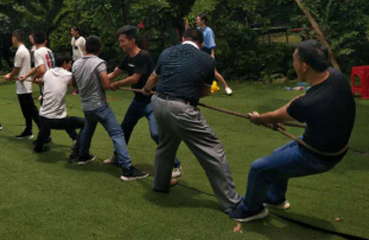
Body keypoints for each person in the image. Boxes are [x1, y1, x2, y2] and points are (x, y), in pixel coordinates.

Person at [230, 40, 356, 222]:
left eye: (294, 60)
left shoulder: (308, 103)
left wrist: (259, 119)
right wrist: (276, 118)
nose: (293, 64)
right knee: (276, 156)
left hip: (318, 156)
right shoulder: (335, 76)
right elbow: (296, 104)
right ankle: (275, 199)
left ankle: (250, 210)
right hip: (333, 147)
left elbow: (274, 115)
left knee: (259, 168)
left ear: (304, 66)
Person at [144, 27, 240, 214]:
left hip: (158, 103)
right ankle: (233, 204)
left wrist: (147, 89)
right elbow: (204, 91)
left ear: (182, 39)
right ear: (202, 43)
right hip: (181, 108)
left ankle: (160, 184)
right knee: (213, 150)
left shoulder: (167, 52)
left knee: (166, 145)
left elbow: (152, 79)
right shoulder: (207, 60)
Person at [104, 26, 183, 178]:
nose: (120, 44)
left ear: (132, 41)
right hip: (138, 101)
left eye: (123, 41)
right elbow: (114, 73)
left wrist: (116, 84)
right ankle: (118, 157)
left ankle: (176, 164)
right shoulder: (127, 57)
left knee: (155, 133)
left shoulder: (144, 56)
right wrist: (101, 79)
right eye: (119, 41)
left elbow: (135, 78)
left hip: (151, 101)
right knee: (123, 130)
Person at [73, 35, 149, 182]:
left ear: (84, 48)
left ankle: (83, 156)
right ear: (100, 49)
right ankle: (127, 169)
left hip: (86, 106)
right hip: (100, 107)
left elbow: (74, 85)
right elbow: (106, 84)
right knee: (117, 134)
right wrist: (113, 84)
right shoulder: (99, 63)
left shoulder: (76, 64)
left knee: (88, 130)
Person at [34, 52, 84, 160]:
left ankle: (38, 147)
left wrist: (38, 80)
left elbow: (42, 81)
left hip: (42, 116)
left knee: (46, 128)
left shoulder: (48, 73)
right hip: (56, 120)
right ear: (64, 63)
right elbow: (78, 84)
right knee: (84, 123)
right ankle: (76, 150)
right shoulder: (68, 75)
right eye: (70, 63)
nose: (70, 66)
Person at [4, 30, 40, 140]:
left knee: (32, 110)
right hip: (23, 84)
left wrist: (9, 76)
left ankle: (44, 131)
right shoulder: (24, 50)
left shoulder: (20, 52)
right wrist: (10, 75)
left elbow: (16, 69)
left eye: (12, 37)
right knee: (27, 110)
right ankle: (28, 130)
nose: (12, 40)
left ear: (15, 38)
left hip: (23, 86)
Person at [188, 14, 233, 95]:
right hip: (199, 51)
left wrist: (212, 54)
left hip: (207, 51)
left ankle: (226, 87)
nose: (196, 21)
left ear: (203, 21)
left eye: (198, 20)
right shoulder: (198, 29)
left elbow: (212, 43)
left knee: (214, 72)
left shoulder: (209, 31)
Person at [22, 31, 55, 103]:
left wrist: (35, 78)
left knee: (46, 112)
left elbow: (42, 70)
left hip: (46, 87)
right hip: (54, 83)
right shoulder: (49, 50)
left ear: (34, 40)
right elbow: (37, 67)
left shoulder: (38, 52)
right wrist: (25, 76)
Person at [70, 26, 86, 95]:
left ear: (77, 31)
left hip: (81, 59)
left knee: (81, 74)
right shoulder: (73, 39)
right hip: (75, 59)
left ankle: (83, 88)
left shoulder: (82, 39)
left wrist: (85, 58)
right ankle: (76, 88)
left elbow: (84, 49)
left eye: (72, 31)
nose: (71, 32)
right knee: (75, 75)